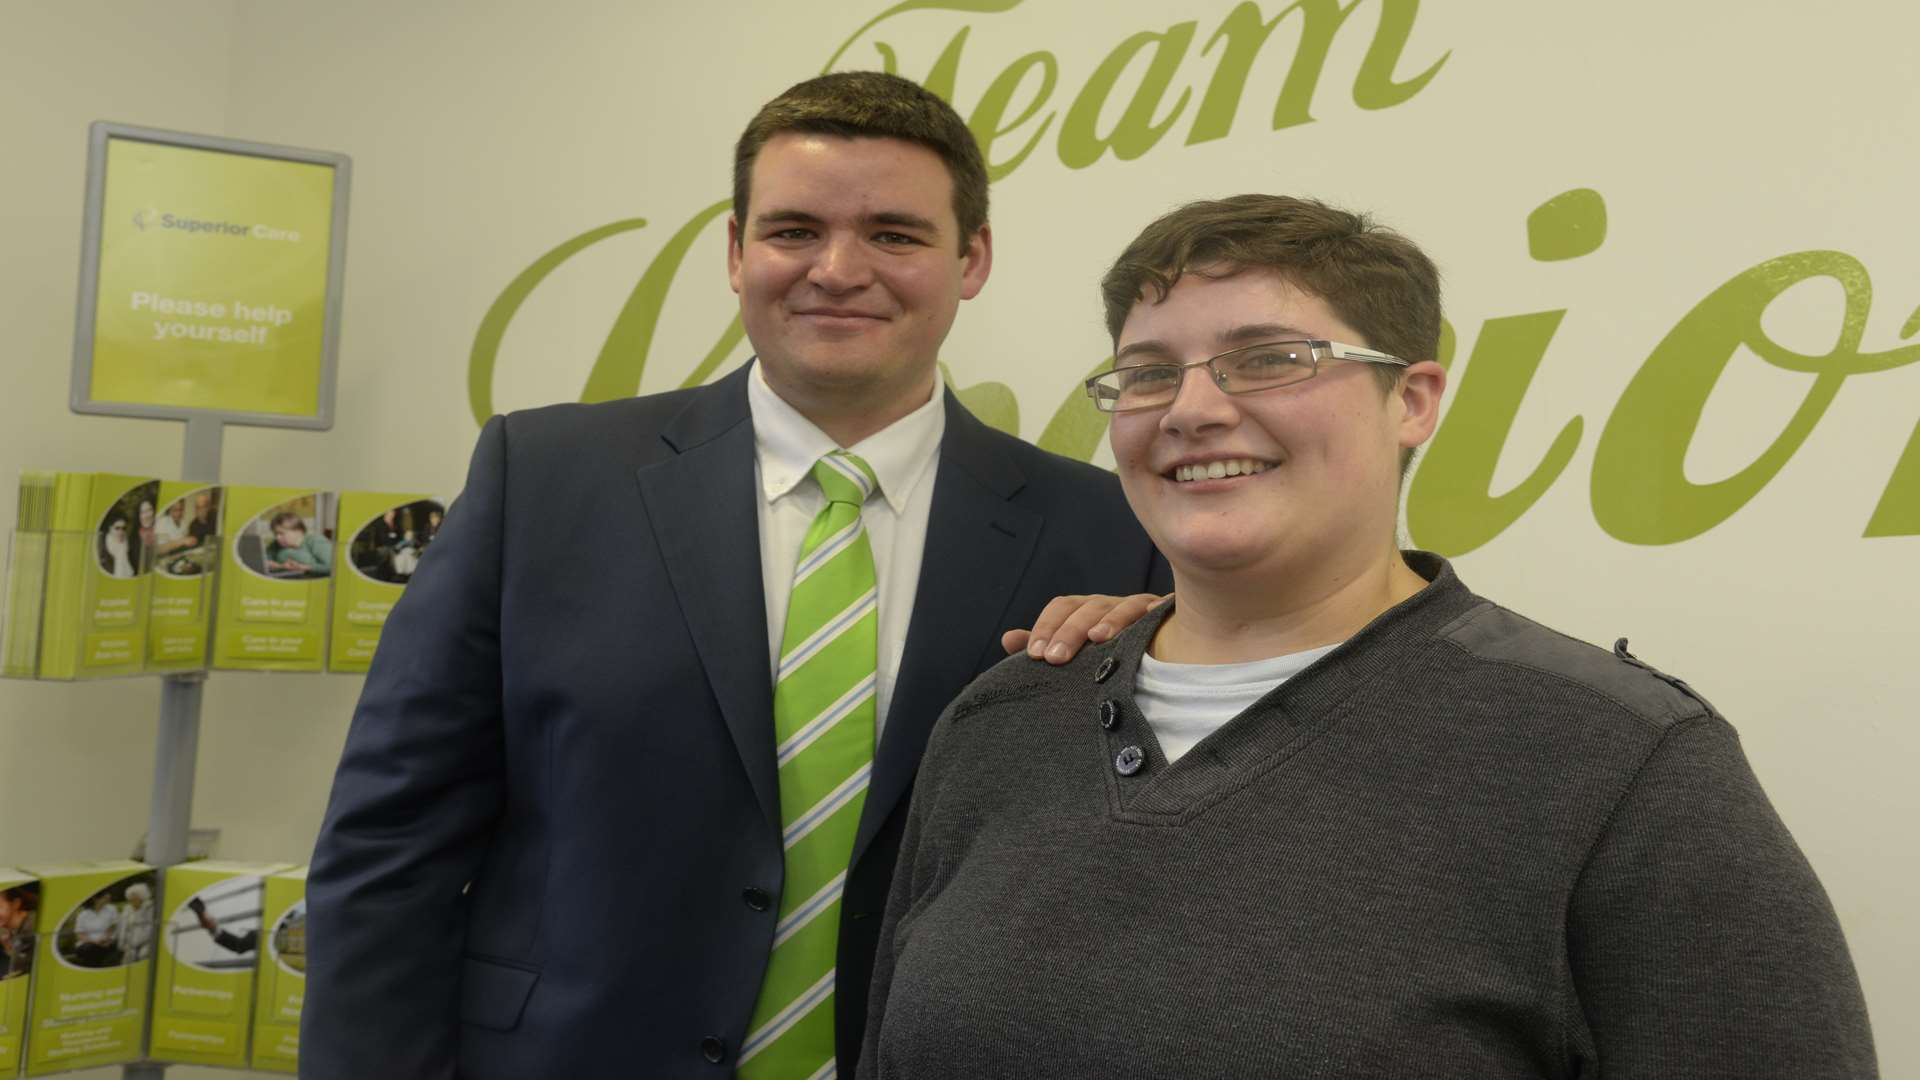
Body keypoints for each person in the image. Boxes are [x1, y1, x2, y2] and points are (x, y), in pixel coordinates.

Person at [857, 195, 1879, 1078]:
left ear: (1415, 401)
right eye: (1148, 372)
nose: (1195, 409)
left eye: (1268, 359)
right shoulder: (1003, 723)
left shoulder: (1617, 763)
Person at [304, 71, 1169, 1080]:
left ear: (971, 259)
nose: (838, 269)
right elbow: (389, 846)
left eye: (895, 235)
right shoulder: (542, 481)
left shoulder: (1110, 533)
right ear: (734, 251)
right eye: (794, 230)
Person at [264, 511, 332, 575]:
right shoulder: (275, 544)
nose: (277, 537)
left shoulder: (315, 541)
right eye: (275, 534)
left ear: (298, 531)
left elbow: (333, 567)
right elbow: (263, 561)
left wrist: (304, 567)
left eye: (281, 533)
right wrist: (280, 566)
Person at [71, 891, 120, 967]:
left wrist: (107, 938)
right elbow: (80, 934)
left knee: (102, 951)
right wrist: (94, 941)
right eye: (104, 896)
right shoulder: (83, 914)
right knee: (90, 949)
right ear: (95, 899)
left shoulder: (111, 909)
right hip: (88, 943)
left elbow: (113, 927)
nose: (108, 896)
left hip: (107, 941)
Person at [116, 881, 154, 963]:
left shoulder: (149, 908)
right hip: (130, 943)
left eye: (135, 897)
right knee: (128, 957)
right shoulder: (127, 910)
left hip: (146, 942)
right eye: (131, 897)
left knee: (143, 954)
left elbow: (150, 928)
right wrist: (123, 944)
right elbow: (122, 927)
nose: (132, 899)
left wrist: (140, 942)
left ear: (142, 897)